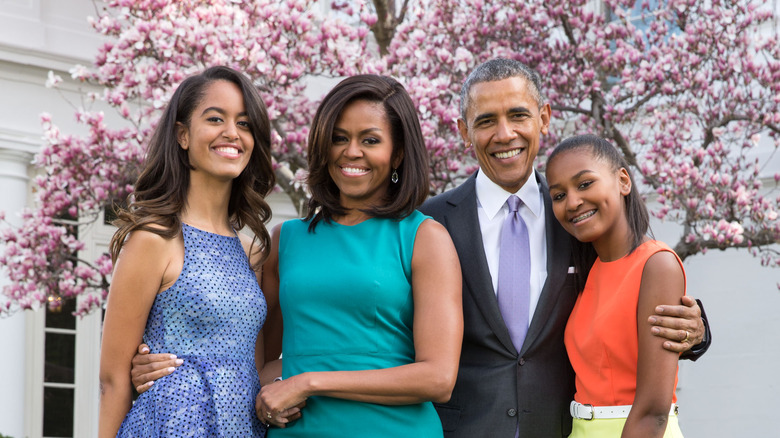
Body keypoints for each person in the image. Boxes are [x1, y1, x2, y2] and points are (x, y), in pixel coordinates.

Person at [417, 58, 710, 437]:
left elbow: (628, 284)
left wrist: (695, 332)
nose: (505, 134)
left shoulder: (582, 219)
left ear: (544, 118)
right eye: (486, 120)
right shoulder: (430, 223)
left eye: (518, 115)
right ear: (463, 131)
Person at [254, 74, 463, 437]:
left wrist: (310, 382)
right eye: (339, 138)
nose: (351, 152)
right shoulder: (284, 241)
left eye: (370, 140)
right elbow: (259, 362)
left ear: (397, 153)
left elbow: (438, 378)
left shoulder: (425, 238)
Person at [98, 66, 275, 437]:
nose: (232, 133)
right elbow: (113, 380)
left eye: (245, 124)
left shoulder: (252, 253)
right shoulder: (153, 239)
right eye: (215, 119)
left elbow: (255, 369)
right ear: (182, 134)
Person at [545, 134, 685, 437]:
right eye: (558, 195)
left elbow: (652, 412)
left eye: (584, 184)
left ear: (623, 180)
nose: (572, 202)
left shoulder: (657, 264)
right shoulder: (587, 272)